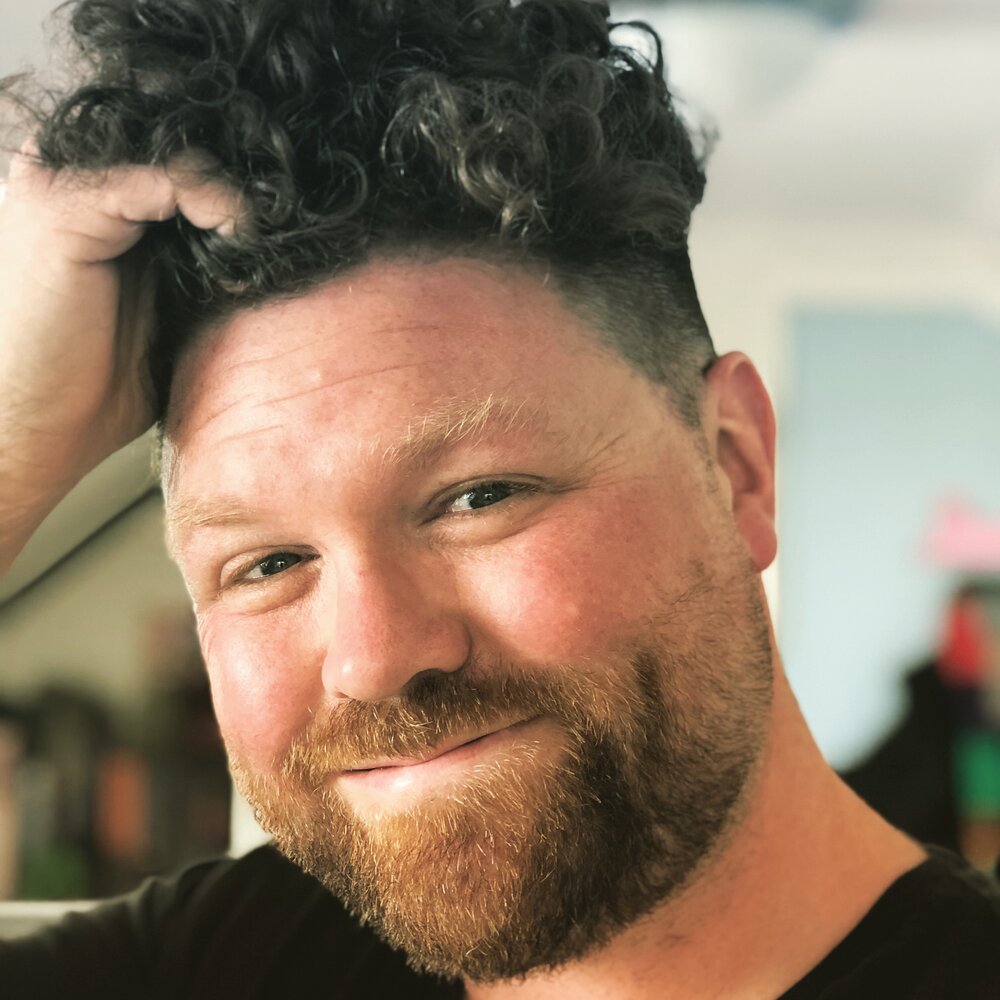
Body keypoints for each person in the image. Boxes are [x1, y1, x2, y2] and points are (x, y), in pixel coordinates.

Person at [0, 1, 998, 997]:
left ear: (736, 465)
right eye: (268, 563)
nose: (374, 660)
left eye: (477, 498)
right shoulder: (224, 961)